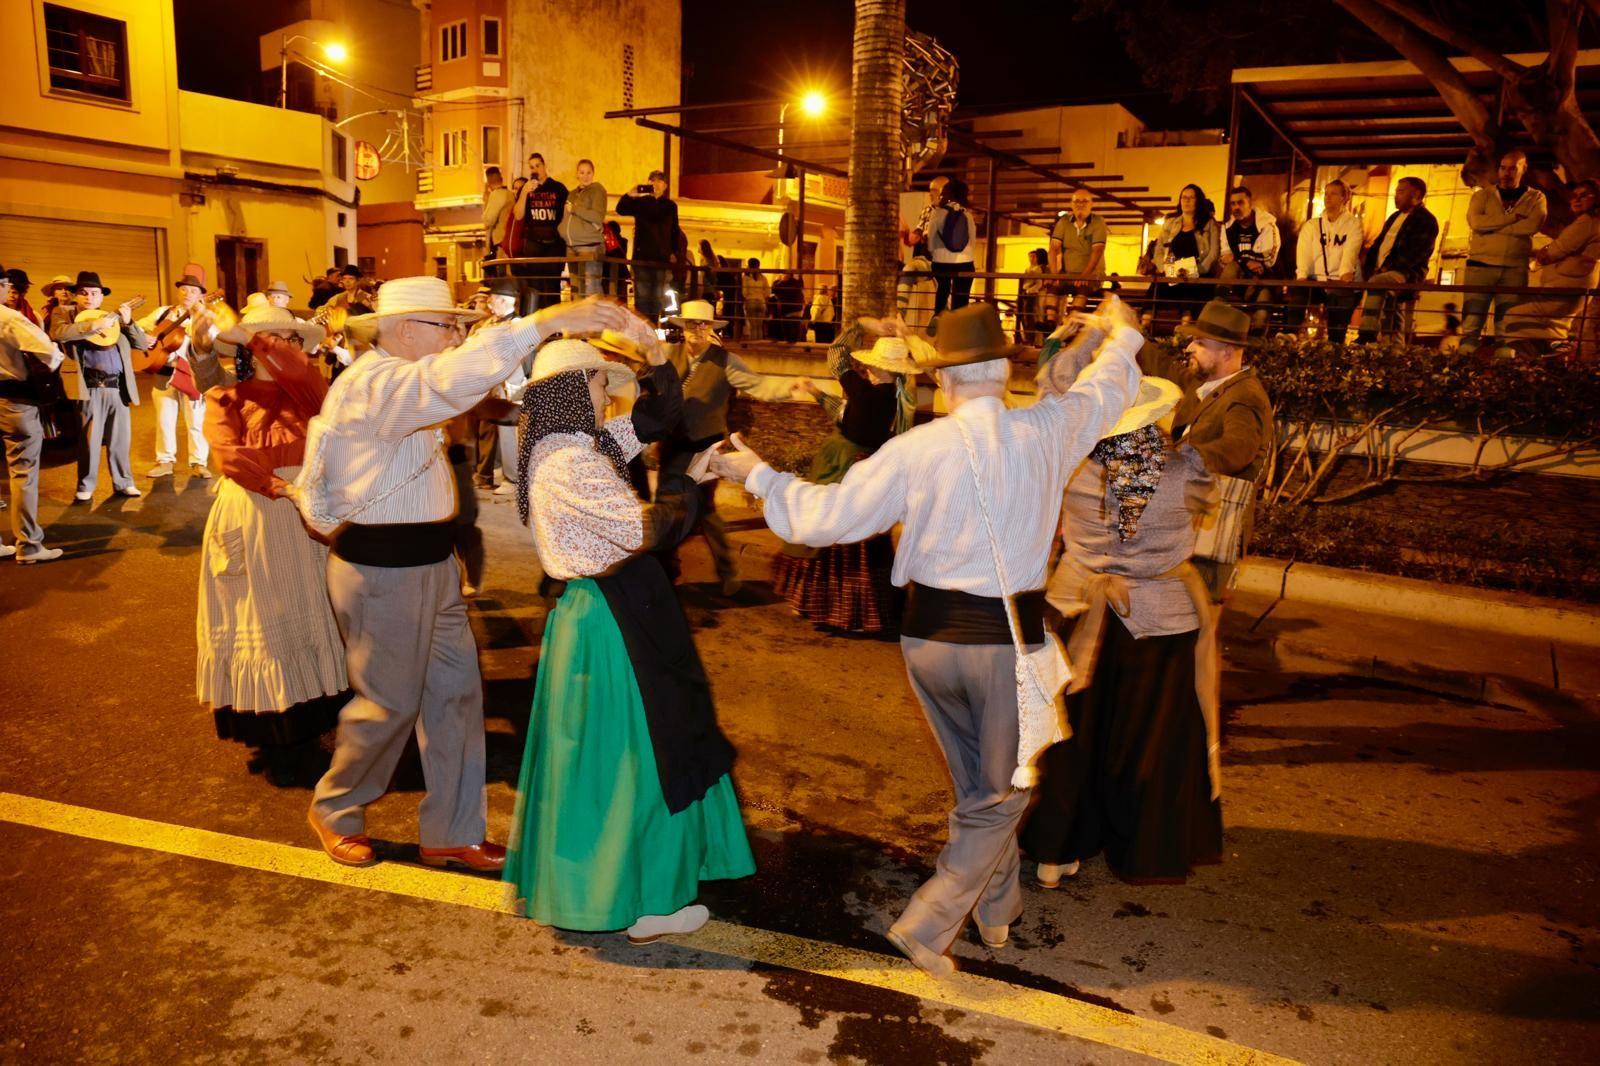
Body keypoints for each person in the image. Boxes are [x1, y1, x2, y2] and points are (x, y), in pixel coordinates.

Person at [709, 300, 1143, 977]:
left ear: (943, 380)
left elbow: (824, 519)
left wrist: (758, 475)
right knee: (1006, 793)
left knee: (979, 787)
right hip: (1003, 643)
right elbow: (1110, 387)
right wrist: (1122, 334)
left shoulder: (916, 448)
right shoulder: (1050, 428)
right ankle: (928, 924)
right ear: (1004, 375)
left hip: (927, 642)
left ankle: (997, 909)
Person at [297, 276, 630, 870]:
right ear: (405, 329)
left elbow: (457, 390)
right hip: (383, 569)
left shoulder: (402, 382)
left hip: (431, 561)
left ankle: (452, 829)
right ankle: (337, 808)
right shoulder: (378, 383)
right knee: (388, 705)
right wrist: (548, 321)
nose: (456, 336)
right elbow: (445, 383)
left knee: (455, 698)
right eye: (447, 325)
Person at [505, 331, 755, 942]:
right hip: (613, 620)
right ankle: (643, 900)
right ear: (572, 391)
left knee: (609, 761)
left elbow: (657, 417)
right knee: (638, 758)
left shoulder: (574, 443)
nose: (606, 397)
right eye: (598, 384)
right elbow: (648, 530)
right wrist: (688, 482)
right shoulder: (572, 462)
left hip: (602, 611)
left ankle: (624, 886)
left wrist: (656, 357)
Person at [1024, 375, 1223, 885]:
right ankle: (1140, 848)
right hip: (1160, 622)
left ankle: (1054, 853)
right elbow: (1208, 507)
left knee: (1073, 737)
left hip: (1076, 614)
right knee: (1148, 741)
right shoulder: (1185, 472)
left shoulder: (1073, 469)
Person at [189, 304, 347, 785]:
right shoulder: (226, 397)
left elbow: (302, 373)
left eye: (292, 338)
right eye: (276, 337)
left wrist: (254, 337)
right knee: (266, 614)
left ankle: (328, 717)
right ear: (250, 347)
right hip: (258, 514)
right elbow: (229, 455)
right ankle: (280, 726)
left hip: (307, 511)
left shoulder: (310, 392)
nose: (288, 346)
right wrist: (281, 488)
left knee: (319, 608)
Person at [1137, 300, 1273, 600]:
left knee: (1191, 615)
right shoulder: (1209, 385)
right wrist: (1127, 333)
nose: (1189, 348)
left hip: (1210, 533)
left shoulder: (1245, 396)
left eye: (1199, 343)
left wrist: (1181, 460)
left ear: (1226, 351)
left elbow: (1238, 449)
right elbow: (1165, 367)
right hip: (1191, 528)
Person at [772, 322, 901, 633]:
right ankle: (869, 610)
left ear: (879, 368)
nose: (866, 368)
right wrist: (816, 393)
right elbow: (848, 416)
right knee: (866, 541)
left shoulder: (868, 393)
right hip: (869, 471)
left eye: (871, 364)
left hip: (842, 469)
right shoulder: (896, 398)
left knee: (825, 529)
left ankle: (831, 608)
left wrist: (860, 324)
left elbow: (836, 355)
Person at [656, 299, 789, 594]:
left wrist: (790, 388)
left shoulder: (726, 360)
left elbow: (759, 386)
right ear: (683, 327)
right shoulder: (667, 355)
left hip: (705, 445)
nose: (697, 329)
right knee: (666, 507)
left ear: (710, 328)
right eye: (691, 323)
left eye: (703, 324)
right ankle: (667, 570)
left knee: (703, 510)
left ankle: (727, 570)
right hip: (672, 443)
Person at [50, 270, 150, 502]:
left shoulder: (112, 318)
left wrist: (129, 322)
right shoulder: (64, 313)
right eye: (83, 293)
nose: (89, 297)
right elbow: (58, 333)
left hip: (118, 387)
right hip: (90, 386)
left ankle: (124, 482)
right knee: (89, 441)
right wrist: (94, 325)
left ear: (102, 296)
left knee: (120, 440)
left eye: (94, 293)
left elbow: (141, 343)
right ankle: (86, 485)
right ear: (76, 295)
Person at [0, 264, 66, 563]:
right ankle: (28, 545)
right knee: (23, 472)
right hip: (14, 400)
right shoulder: (8, 317)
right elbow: (49, 353)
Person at [1461, 150, 1548, 349]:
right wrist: (1512, 218)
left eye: (1512, 169)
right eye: (1503, 168)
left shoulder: (1536, 197)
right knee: (1471, 322)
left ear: (1524, 169)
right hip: (1480, 267)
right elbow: (1476, 223)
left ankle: (1504, 365)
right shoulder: (1483, 195)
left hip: (1514, 269)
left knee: (1507, 325)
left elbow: (1531, 226)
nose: (1506, 173)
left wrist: (1492, 227)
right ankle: (1464, 362)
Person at [1502, 178, 1600, 350]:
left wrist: (1545, 253)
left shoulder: (1587, 222)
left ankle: (1535, 360)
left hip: (1564, 291)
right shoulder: (1590, 222)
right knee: (1552, 330)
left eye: (1584, 195)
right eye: (1574, 195)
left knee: (1513, 316)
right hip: (1572, 289)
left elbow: (1555, 251)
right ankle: (1551, 357)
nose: (1577, 199)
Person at [139, 274, 212, 480]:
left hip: (192, 374)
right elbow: (138, 326)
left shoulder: (207, 316)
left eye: (193, 291)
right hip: (164, 371)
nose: (187, 294)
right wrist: (145, 337)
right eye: (184, 289)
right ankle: (165, 461)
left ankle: (199, 463)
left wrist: (201, 321)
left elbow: (213, 341)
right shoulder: (163, 312)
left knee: (196, 421)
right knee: (164, 419)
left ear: (200, 296)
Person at [1357, 177, 1440, 344]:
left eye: (1401, 192)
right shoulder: (1394, 217)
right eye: (1396, 191)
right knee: (1392, 310)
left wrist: (1385, 268)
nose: (1396, 195)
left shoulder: (1426, 220)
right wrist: (1369, 266)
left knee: (1379, 284)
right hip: (1382, 271)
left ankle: (1367, 332)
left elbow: (1415, 253)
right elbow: (1378, 244)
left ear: (1416, 196)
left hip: (1406, 273)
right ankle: (1394, 348)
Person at [1295, 180, 1364, 341]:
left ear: (1344, 198)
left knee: (1337, 325)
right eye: (1326, 193)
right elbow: (1303, 251)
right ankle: (1290, 333)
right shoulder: (1312, 225)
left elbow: (1351, 250)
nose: (1328, 197)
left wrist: (1345, 272)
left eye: (1333, 193)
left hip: (1341, 282)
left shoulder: (1353, 224)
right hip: (1318, 280)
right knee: (1298, 295)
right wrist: (1302, 275)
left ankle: (1335, 348)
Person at [1154, 184, 1223, 324]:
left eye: (1191, 197)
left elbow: (1213, 253)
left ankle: (1185, 328)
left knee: (1191, 292)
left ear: (1198, 201)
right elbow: (1159, 251)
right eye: (1184, 197)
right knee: (1156, 288)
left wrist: (1195, 270)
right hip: (1173, 272)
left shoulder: (1209, 224)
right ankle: (1146, 325)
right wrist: (1166, 269)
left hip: (1198, 273)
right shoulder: (1170, 223)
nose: (1187, 200)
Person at [509, 152, 569, 310]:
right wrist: (524, 192)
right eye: (531, 167)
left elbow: (568, 213)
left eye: (538, 165)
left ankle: (553, 322)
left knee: (553, 287)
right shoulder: (526, 189)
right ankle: (535, 321)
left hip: (554, 244)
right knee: (535, 286)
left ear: (544, 166)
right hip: (533, 244)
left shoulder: (558, 188)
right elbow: (518, 215)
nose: (535, 169)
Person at [617, 170, 678, 320]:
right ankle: (643, 328)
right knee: (642, 298)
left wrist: (673, 252)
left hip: (661, 258)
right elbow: (621, 209)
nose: (655, 184)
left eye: (659, 181)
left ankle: (653, 327)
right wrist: (630, 195)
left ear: (665, 185)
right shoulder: (641, 202)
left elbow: (674, 229)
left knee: (658, 298)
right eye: (652, 180)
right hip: (642, 257)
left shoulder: (670, 206)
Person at [1218, 186, 1281, 328]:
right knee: (1231, 267)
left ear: (1250, 203)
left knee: (1261, 313)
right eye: (1233, 204)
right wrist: (1247, 260)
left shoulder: (1267, 225)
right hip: (1240, 282)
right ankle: (1217, 304)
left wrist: (1240, 258)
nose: (1236, 207)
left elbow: (1269, 259)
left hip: (1264, 280)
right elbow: (1226, 258)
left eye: (1240, 202)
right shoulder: (1228, 228)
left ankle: (1257, 339)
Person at [1050, 189, 1108, 317]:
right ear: (1071, 204)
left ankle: (1072, 320)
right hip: (1068, 274)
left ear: (1092, 204)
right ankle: (1049, 321)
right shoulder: (1064, 221)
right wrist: (1054, 275)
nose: (1080, 204)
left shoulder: (1098, 222)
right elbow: (1053, 249)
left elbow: (1097, 250)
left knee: (1082, 290)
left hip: (1091, 275)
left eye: (1085, 201)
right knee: (1051, 289)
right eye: (1076, 201)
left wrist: (1085, 275)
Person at [558, 159, 607, 298]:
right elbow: (566, 216)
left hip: (589, 246)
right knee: (576, 290)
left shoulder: (597, 190)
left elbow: (597, 216)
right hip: (571, 247)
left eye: (588, 172)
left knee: (591, 289)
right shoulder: (572, 194)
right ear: (577, 174)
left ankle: (595, 312)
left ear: (593, 173)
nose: (585, 176)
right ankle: (580, 312)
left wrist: (575, 209)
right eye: (582, 172)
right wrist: (561, 230)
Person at [928, 178, 976, 316]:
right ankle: (958, 322)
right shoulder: (967, 214)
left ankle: (940, 317)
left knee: (942, 290)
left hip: (941, 262)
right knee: (961, 298)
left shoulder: (937, 213)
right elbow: (972, 241)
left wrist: (935, 253)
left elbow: (931, 241)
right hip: (965, 262)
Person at [482, 165, 515, 265]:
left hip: (499, 242)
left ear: (488, 182)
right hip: (508, 239)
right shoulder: (509, 194)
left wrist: (486, 200)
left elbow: (488, 220)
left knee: (499, 271)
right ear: (501, 178)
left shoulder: (497, 195)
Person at [1019, 250, 1047, 343]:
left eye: (1034, 256)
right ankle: (1029, 337)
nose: (1031, 259)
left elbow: (1039, 283)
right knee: (1025, 316)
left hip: (1031, 294)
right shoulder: (1028, 268)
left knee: (1030, 316)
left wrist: (1029, 290)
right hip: (1026, 292)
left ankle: (1032, 339)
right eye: (1030, 256)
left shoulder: (1037, 269)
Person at [741, 259, 770, 340]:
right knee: (759, 326)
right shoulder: (763, 277)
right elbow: (768, 292)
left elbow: (744, 292)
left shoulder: (746, 278)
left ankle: (754, 343)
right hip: (761, 302)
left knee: (753, 326)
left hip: (751, 302)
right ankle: (759, 342)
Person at [602, 220, 630, 299]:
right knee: (620, 295)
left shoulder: (608, 242)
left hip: (607, 271)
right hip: (622, 271)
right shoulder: (623, 241)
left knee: (608, 294)